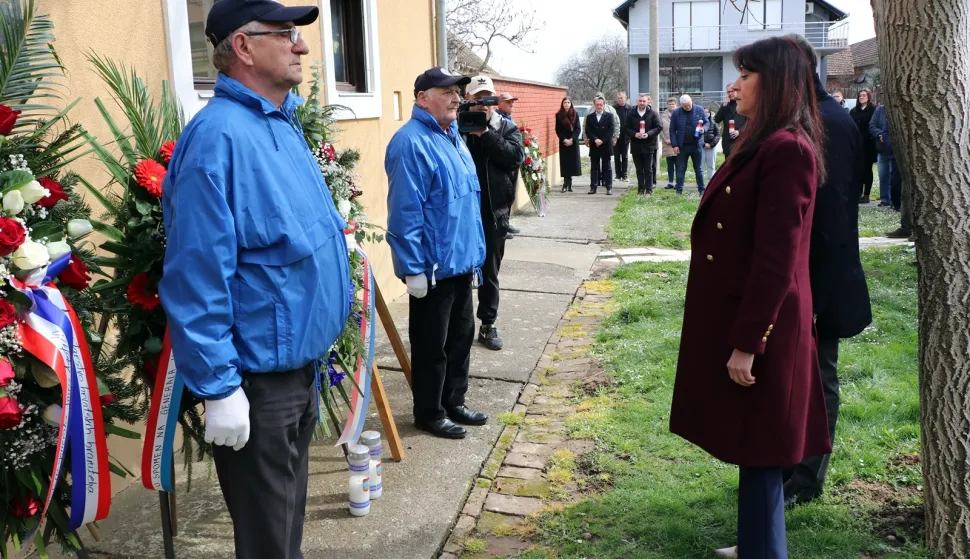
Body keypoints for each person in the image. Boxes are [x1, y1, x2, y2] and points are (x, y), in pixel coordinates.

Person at [159, 3, 350, 557]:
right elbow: (197, 278)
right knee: (268, 539)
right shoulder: (218, 140)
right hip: (257, 388)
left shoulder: (277, 122)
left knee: (284, 527)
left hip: (296, 373)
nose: (303, 47)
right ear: (242, 47)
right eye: (286, 34)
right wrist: (219, 388)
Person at [669, 35, 831, 559]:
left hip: (766, 328)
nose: (734, 84)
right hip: (748, 319)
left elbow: (776, 261)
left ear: (776, 81)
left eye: (746, 74)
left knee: (761, 449)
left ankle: (764, 552)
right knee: (753, 445)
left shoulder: (787, 149)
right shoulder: (765, 141)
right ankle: (759, 546)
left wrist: (748, 342)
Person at [783, 34, 873, 507]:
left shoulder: (828, 122)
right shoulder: (806, 117)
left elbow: (832, 213)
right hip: (804, 277)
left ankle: (806, 479)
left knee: (819, 377)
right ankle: (788, 466)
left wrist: (812, 292)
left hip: (822, 277)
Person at [384, 67, 488, 440]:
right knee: (432, 346)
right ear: (422, 97)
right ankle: (429, 411)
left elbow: (465, 204)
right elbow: (405, 210)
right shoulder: (409, 142)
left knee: (461, 336)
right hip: (431, 267)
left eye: (457, 91)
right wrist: (411, 267)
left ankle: (454, 401)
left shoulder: (453, 137)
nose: (456, 97)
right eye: (445, 91)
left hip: (461, 261)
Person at [464, 76, 524, 352]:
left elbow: (513, 158)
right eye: (477, 100)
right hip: (462, 214)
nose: (483, 106)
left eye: (488, 99)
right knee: (460, 272)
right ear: (468, 101)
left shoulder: (507, 128)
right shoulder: (456, 128)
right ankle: (461, 326)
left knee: (490, 272)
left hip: (493, 212)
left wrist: (486, 134)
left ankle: (488, 324)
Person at [870, 103, 912, 238]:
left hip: (897, 152)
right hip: (883, 149)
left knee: (896, 179)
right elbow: (872, 126)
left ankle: (897, 205)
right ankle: (887, 201)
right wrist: (879, 134)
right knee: (884, 177)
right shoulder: (880, 110)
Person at [668, 94, 709, 195]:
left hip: (697, 145)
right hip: (682, 146)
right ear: (681, 104)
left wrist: (704, 129)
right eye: (685, 106)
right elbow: (672, 130)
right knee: (680, 168)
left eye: (689, 105)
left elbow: (707, 123)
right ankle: (679, 190)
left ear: (692, 101)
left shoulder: (699, 109)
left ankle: (702, 190)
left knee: (699, 169)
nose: (687, 107)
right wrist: (674, 145)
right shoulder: (676, 113)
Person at [626, 93, 662, 195]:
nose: (642, 103)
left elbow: (659, 127)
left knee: (648, 169)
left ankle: (649, 190)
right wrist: (634, 134)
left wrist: (648, 134)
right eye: (640, 101)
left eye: (644, 101)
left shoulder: (653, 114)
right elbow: (626, 128)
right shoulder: (631, 113)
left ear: (647, 102)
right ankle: (641, 189)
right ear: (637, 101)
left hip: (649, 145)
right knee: (639, 169)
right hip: (636, 145)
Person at [583, 93, 621, 189]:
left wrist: (603, 140)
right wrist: (594, 139)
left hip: (606, 144)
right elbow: (588, 129)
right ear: (594, 105)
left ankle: (609, 187)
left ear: (604, 105)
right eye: (597, 105)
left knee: (607, 167)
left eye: (601, 105)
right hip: (594, 144)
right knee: (594, 167)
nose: (599, 106)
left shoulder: (609, 115)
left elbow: (611, 130)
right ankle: (593, 187)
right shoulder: (590, 116)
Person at [849, 89, 878, 203]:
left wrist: (865, 137)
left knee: (867, 169)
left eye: (864, 95)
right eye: (860, 95)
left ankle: (866, 194)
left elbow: (872, 125)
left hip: (868, 144)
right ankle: (858, 193)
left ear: (869, 97)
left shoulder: (873, 110)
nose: (861, 97)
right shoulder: (854, 111)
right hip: (857, 144)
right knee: (858, 169)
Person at [556, 97, 582, 193]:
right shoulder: (559, 115)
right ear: (562, 104)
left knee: (572, 163)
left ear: (571, 104)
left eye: (568, 102)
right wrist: (564, 139)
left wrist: (572, 139)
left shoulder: (575, 114)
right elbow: (558, 130)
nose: (566, 104)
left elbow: (578, 129)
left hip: (573, 142)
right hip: (564, 142)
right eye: (565, 102)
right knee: (565, 163)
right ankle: (565, 184)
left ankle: (569, 183)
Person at [714, 84, 746, 157]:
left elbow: (750, 122)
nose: (730, 93)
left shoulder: (744, 104)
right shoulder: (725, 105)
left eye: (732, 91)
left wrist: (739, 131)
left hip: (741, 141)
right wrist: (724, 106)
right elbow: (717, 120)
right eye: (728, 92)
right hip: (728, 143)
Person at [613, 91, 634, 181]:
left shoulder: (630, 109)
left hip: (626, 136)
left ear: (625, 98)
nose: (620, 99)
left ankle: (624, 174)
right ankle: (618, 174)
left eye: (621, 98)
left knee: (625, 156)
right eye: (618, 98)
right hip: (616, 136)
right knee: (617, 156)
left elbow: (632, 122)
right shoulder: (614, 108)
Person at [660, 97, 678, 189]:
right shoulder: (663, 115)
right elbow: (660, 129)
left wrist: (675, 140)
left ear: (676, 105)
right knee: (670, 164)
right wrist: (665, 139)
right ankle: (670, 182)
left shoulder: (680, 114)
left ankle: (678, 183)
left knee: (679, 164)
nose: (671, 106)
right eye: (670, 104)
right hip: (667, 143)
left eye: (673, 104)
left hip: (678, 144)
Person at [702, 106, 721, 181]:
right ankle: (701, 182)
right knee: (701, 165)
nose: (706, 114)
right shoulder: (699, 123)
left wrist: (711, 144)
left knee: (711, 165)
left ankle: (711, 181)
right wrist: (703, 144)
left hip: (711, 147)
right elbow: (696, 135)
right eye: (704, 112)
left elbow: (717, 134)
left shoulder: (714, 122)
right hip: (701, 147)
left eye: (707, 112)